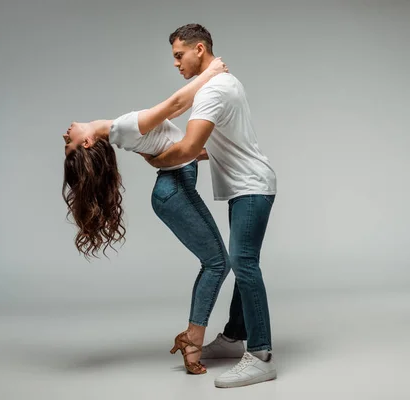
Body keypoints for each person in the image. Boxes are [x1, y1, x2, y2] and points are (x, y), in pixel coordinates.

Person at [62, 57, 230, 375]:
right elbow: (177, 104)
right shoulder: (123, 129)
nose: (65, 135)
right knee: (218, 263)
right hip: (173, 194)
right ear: (86, 141)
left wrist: (214, 153)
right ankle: (192, 342)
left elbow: (169, 154)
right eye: (68, 144)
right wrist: (210, 73)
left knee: (217, 262)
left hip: (172, 191)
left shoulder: (118, 133)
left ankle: (192, 343)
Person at [140, 23, 278, 388]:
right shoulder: (221, 84)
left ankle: (261, 355)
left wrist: (157, 159)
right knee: (241, 260)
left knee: (243, 264)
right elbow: (208, 148)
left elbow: (186, 149)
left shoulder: (213, 90)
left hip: (250, 187)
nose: (176, 63)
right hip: (249, 185)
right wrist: (183, 154)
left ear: (199, 49)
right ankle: (234, 338)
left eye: (179, 55)